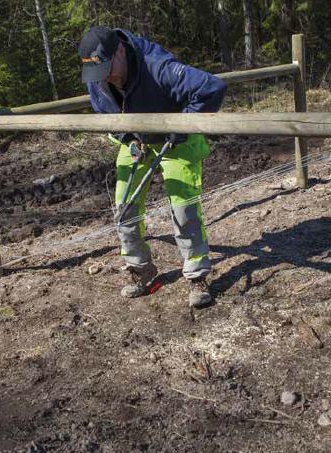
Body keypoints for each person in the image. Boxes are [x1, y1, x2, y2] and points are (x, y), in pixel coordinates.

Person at [78, 26, 226, 307]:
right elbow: (104, 112)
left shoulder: (159, 68)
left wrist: (180, 126)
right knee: (124, 206)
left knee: (184, 208)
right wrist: (128, 138)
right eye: (98, 73)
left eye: (108, 68)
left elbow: (211, 88)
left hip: (178, 138)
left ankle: (197, 276)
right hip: (137, 138)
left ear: (120, 50)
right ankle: (141, 270)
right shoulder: (96, 74)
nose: (104, 77)